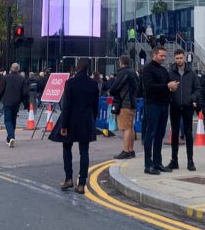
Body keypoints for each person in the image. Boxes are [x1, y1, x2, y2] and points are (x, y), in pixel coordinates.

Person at [51, 59, 100, 193]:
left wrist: (64, 125)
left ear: (77, 68)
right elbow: (95, 106)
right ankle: (81, 184)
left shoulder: (70, 83)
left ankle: (68, 179)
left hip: (71, 120)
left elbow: (66, 106)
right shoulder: (93, 84)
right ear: (88, 68)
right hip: (86, 120)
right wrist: (92, 119)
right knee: (84, 151)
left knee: (67, 148)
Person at [167, 49, 202, 172]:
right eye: (177, 58)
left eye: (181, 58)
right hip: (175, 106)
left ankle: (190, 161)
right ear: (174, 59)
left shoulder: (191, 74)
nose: (179, 60)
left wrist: (191, 98)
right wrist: (170, 96)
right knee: (175, 134)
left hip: (187, 106)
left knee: (188, 134)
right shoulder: (170, 73)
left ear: (184, 58)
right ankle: (174, 160)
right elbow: (167, 88)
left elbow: (198, 89)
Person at [140, 46, 172, 175]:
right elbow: (149, 87)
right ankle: (148, 165)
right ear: (154, 55)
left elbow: (166, 86)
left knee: (160, 134)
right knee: (151, 134)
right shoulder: (147, 69)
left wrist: (171, 87)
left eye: (165, 56)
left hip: (164, 105)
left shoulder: (164, 70)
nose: (164, 58)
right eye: (161, 56)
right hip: (153, 105)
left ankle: (158, 163)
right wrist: (167, 86)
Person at [108, 55, 139, 160]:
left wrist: (111, 87)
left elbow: (114, 88)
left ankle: (126, 151)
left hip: (124, 103)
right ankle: (131, 150)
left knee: (125, 128)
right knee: (130, 127)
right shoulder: (134, 73)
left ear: (121, 62)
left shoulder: (123, 72)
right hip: (132, 102)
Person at [0, 63, 28, 147]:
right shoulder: (22, 79)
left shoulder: (6, 77)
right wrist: (26, 104)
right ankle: (10, 137)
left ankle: (11, 136)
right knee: (13, 120)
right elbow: (25, 93)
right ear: (18, 69)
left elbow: (0, 90)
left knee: (7, 120)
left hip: (7, 101)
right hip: (16, 102)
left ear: (11, 68)